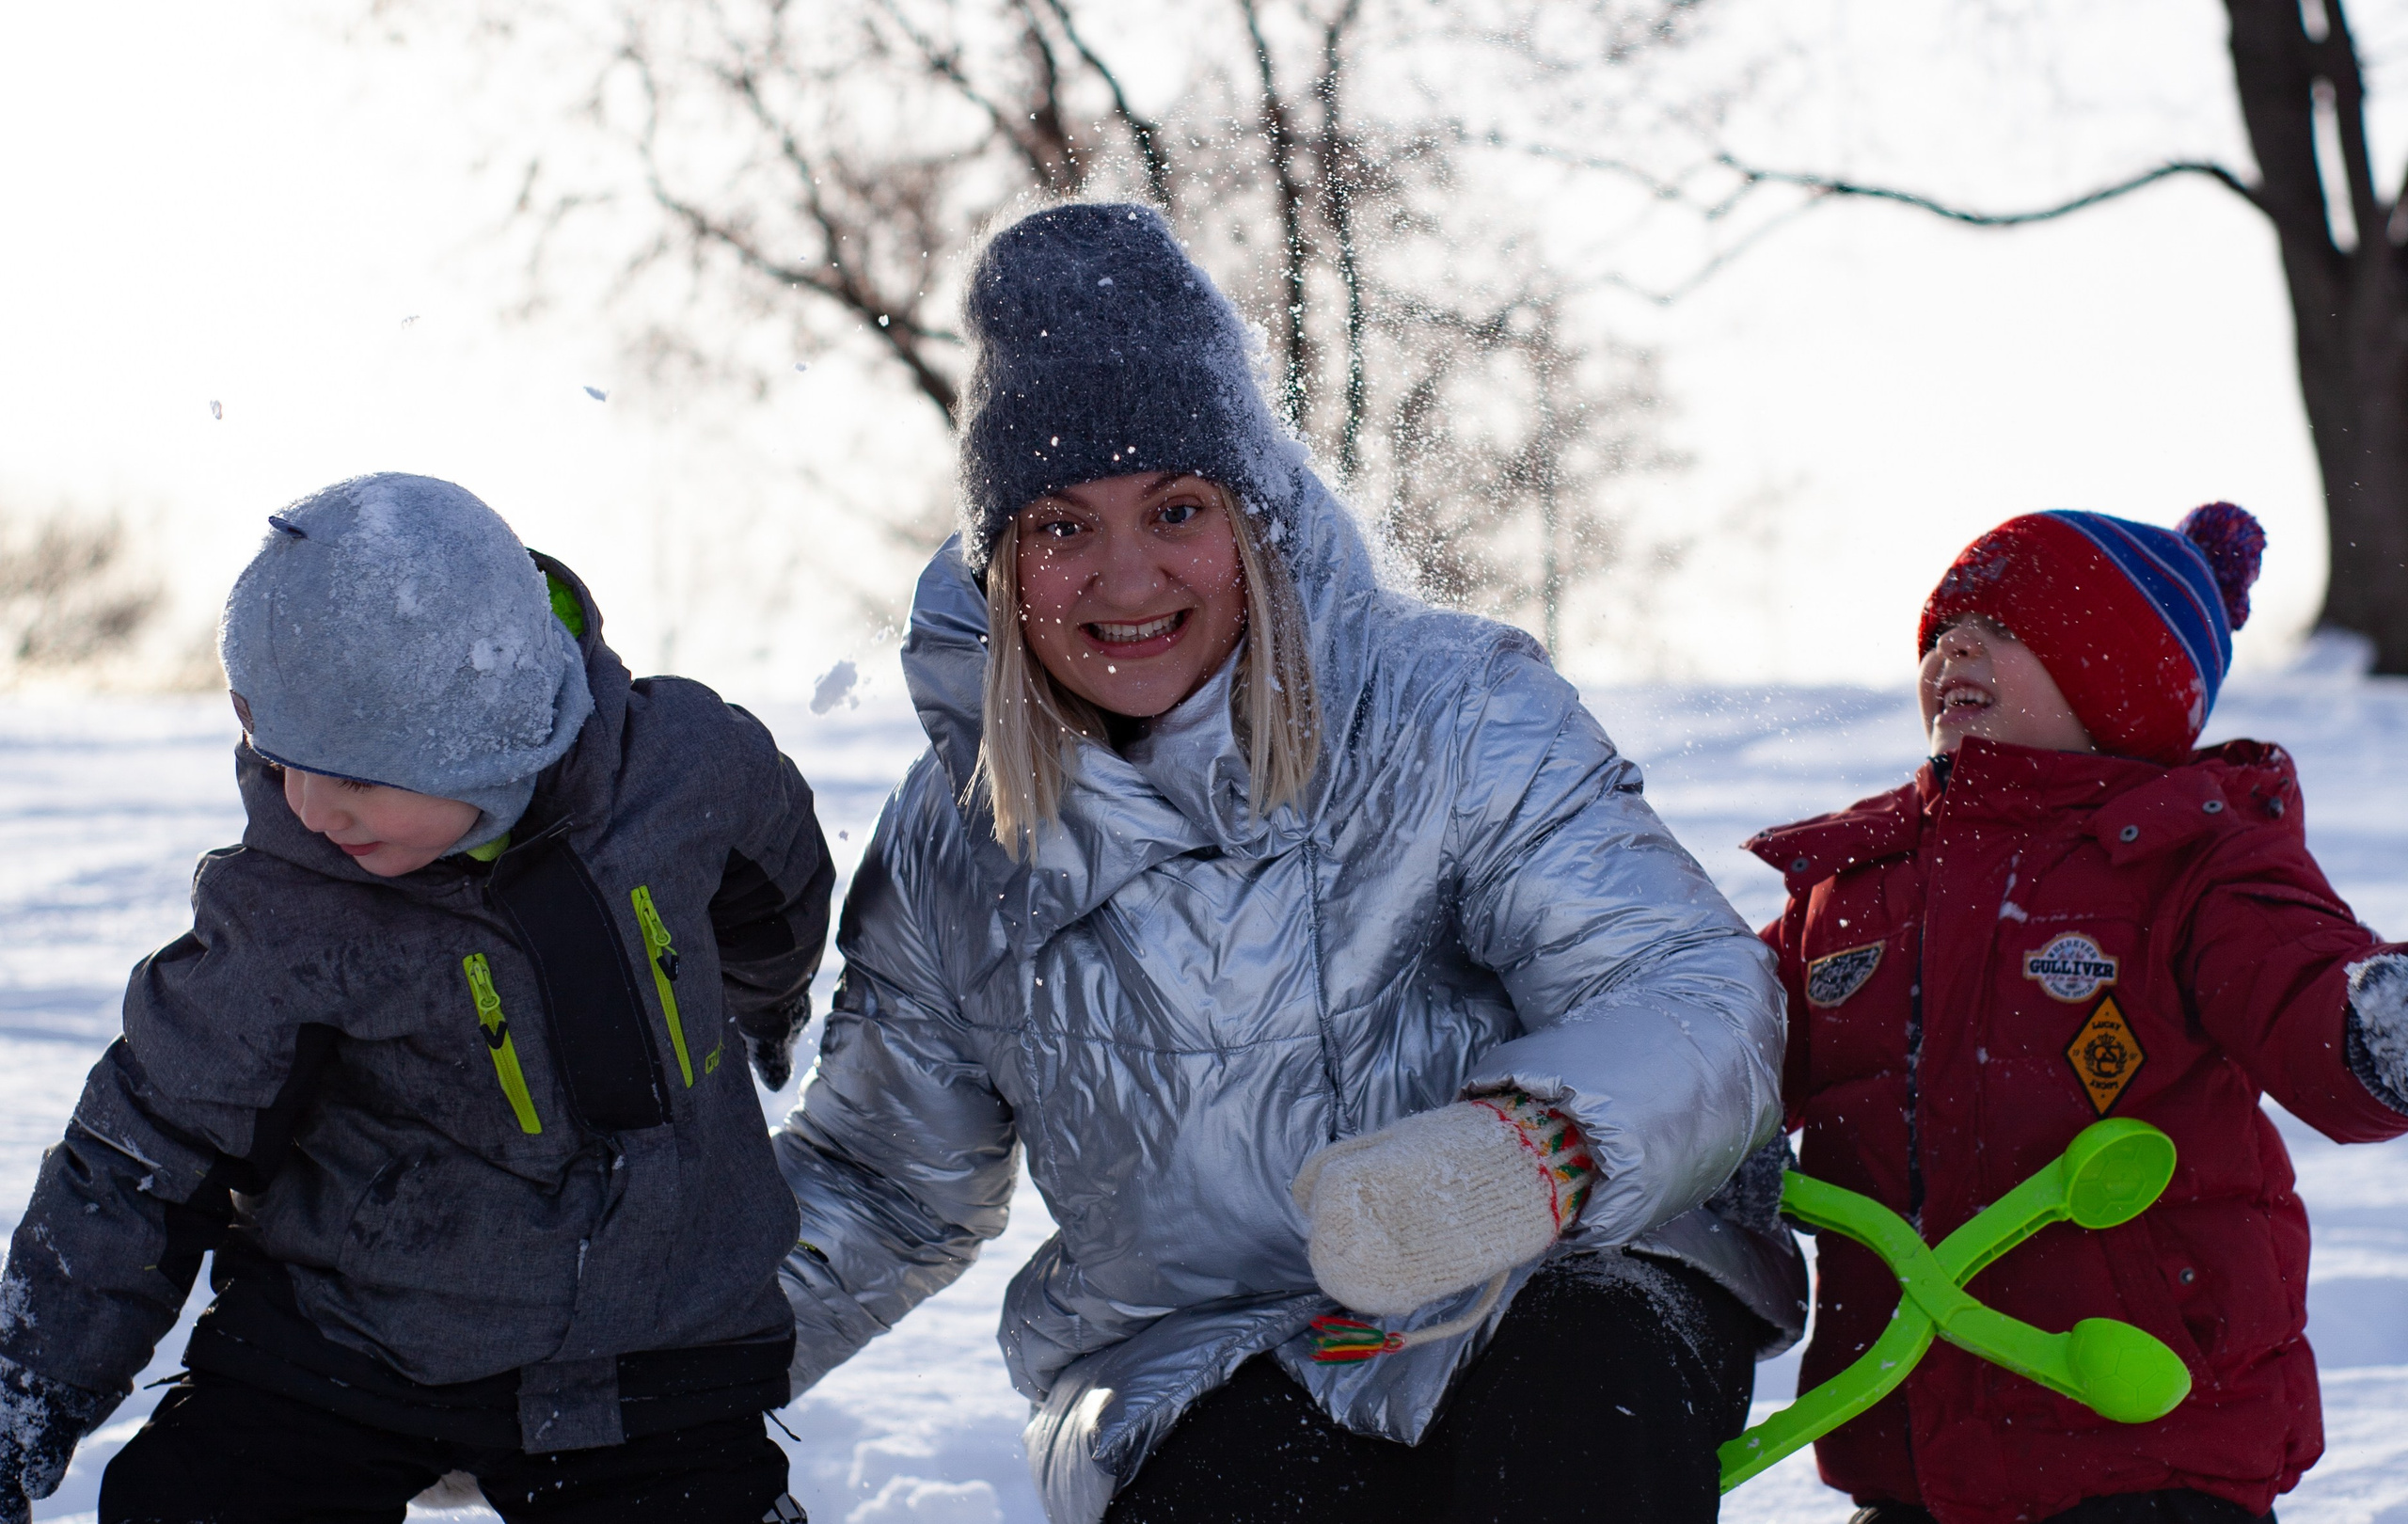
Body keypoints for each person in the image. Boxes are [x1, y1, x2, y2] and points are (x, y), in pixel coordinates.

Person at [769, 201, 1803, 1524]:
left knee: (1574, 1391)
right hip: (1199, 1359)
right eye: (1062, 528)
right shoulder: (959, 836)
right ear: (1002, 562)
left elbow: (1684, 986)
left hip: (1549, 1271)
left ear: (1252, 520)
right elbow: (879, 1185)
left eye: (1177, 510)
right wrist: (625, 1376)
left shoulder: (1448, 710)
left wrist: (1525, 1156)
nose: (1125, 577)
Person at [0, 475, 833, 1524]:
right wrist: (24, 1399)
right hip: (351, 1335)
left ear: (490, 734)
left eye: (356, 775)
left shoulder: (683, 768)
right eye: (280, 757)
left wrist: (762, 999)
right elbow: (145, 1150)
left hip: (659, 1341)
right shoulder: (290, 910)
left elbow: (775, 883)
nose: (311, 807)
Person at [1748, 506, 2408, 1524]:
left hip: (2147, 1440)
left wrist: (2374, 1025)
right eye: (1944, 631)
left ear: (2119, 679)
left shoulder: (2192, 862)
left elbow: (2298, 985)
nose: (1955, 649)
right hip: (1907, 1438)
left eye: (2005, 629)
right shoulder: (1855, 882)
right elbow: (1715, 1056)